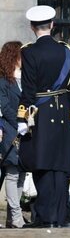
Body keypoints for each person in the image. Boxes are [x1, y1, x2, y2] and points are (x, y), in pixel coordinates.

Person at [17, 5, 70, 228]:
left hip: (40, 113)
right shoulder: (66, 51)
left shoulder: (29, 52)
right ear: (52, 25)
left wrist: (22, 117)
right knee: (60, 165)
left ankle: (44, 216)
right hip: (62, 111)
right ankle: (59, 216)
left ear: (32, 27)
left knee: (41, 164)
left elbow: (28, 89)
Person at [0, 41, 26, 228]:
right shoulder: (3, 80)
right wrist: (18, 122)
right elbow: (5, 106)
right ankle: (16, 216)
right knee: (12, 172)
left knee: (21, 173)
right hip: (11, 128)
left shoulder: (24, 78)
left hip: (25, 129)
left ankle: (12, 217)